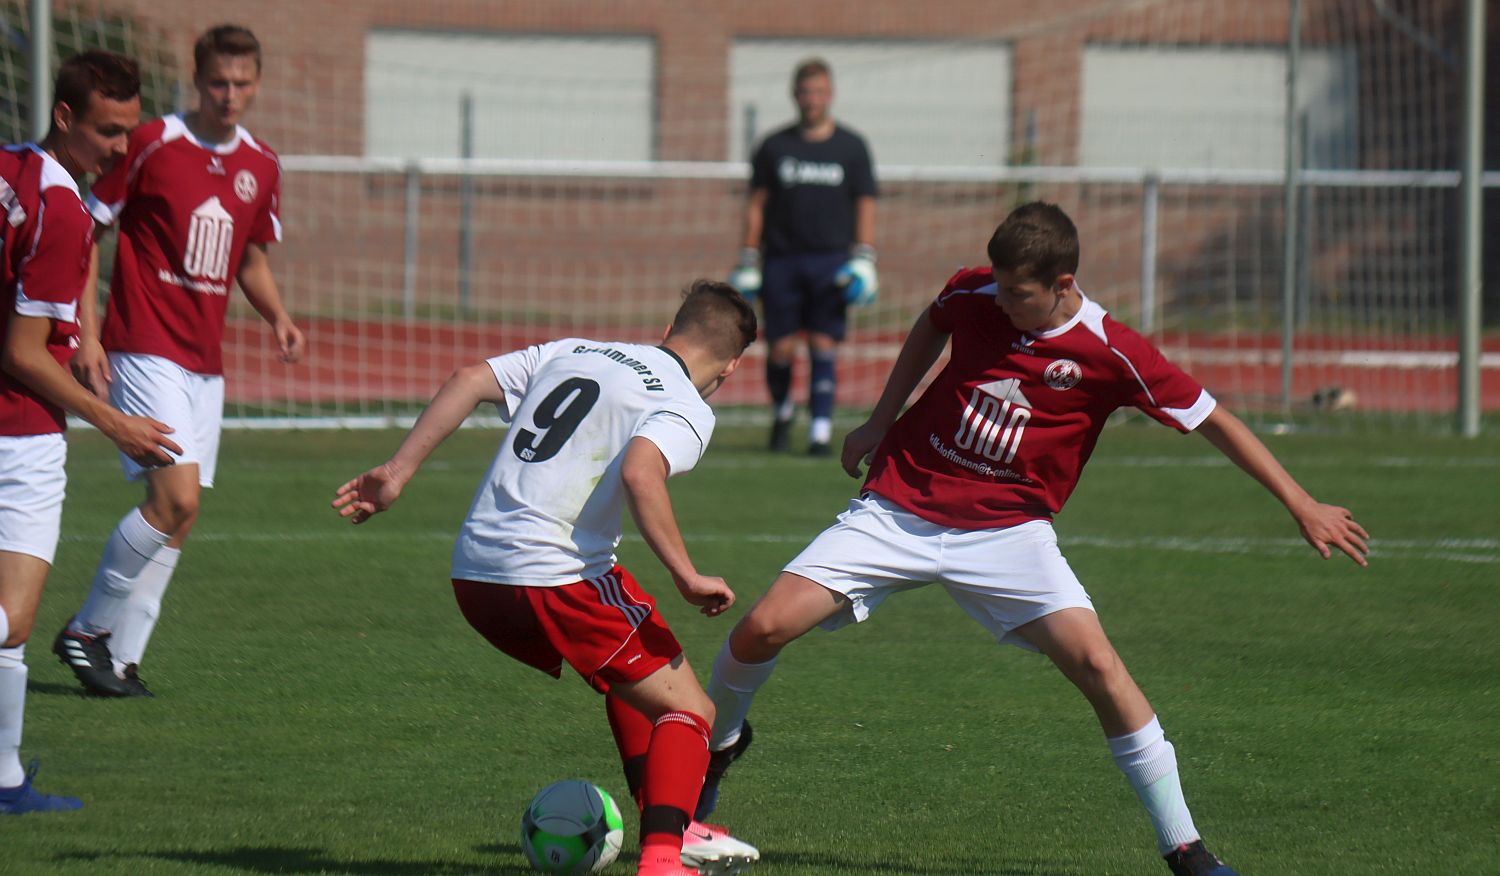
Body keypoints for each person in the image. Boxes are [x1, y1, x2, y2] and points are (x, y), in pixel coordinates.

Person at [697, 203, 1371, 876]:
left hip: (1008, 534)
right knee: (761, 628)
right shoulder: (976, 291)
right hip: (899, 507)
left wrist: (1301, 502)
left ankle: (1186, 849)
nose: (1003, 302)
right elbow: (932, 324)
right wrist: (880, 419)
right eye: (999, 285)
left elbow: (1213, 419)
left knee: (1101, 669)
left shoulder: (1112, 350)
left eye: (1019, 293)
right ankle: (718, 753)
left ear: (1064, 283)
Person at [332, 280, 762, 876]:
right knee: (692, 711)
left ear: (668, 329)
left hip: (475, 572)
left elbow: (466, 379)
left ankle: (673, 823)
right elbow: (643, 473)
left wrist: (398, 471)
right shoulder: (686, 403)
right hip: (554, 576)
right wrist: (686, 573)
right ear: (732, 366)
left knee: (640, 679)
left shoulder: (574, 350)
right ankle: (665, 859)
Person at [54, 24, 305, 697]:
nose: (230, 95)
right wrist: (88, 332)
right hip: (143, 344)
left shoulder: (263, 164)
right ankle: (85, 631)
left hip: (204, 362)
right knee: (175, 496)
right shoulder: (151, 142)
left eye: (242, 84)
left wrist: (277, 315)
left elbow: (250, 256)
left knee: (181, 514)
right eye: (218, 83)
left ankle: (123, 658)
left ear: (257, 84)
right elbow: (88, 230)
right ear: (198, 81)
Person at [0, 50, 181, 814]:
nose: (121, 147)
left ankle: (4, 777)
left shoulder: (9, 173)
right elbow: (20, 354)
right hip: (19, 435)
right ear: (65, 117)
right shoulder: (63, 208)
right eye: (109, 132)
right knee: (11, 617)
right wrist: (117, 425)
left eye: (130, 131)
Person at [729, 57, 878, 456]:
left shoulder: (851, 146)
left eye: (819, 92)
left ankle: (820, 431)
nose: (812, 99)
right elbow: (757, 203)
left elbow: (865, 202)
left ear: (830, 95)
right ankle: (781, 413)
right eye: (805, 92)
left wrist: (865, 256)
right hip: (781, 260)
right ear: (795, 95)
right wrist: (747, 256)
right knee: (779, 348)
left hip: (831, 261)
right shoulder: (775, 147)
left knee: (824, 344)